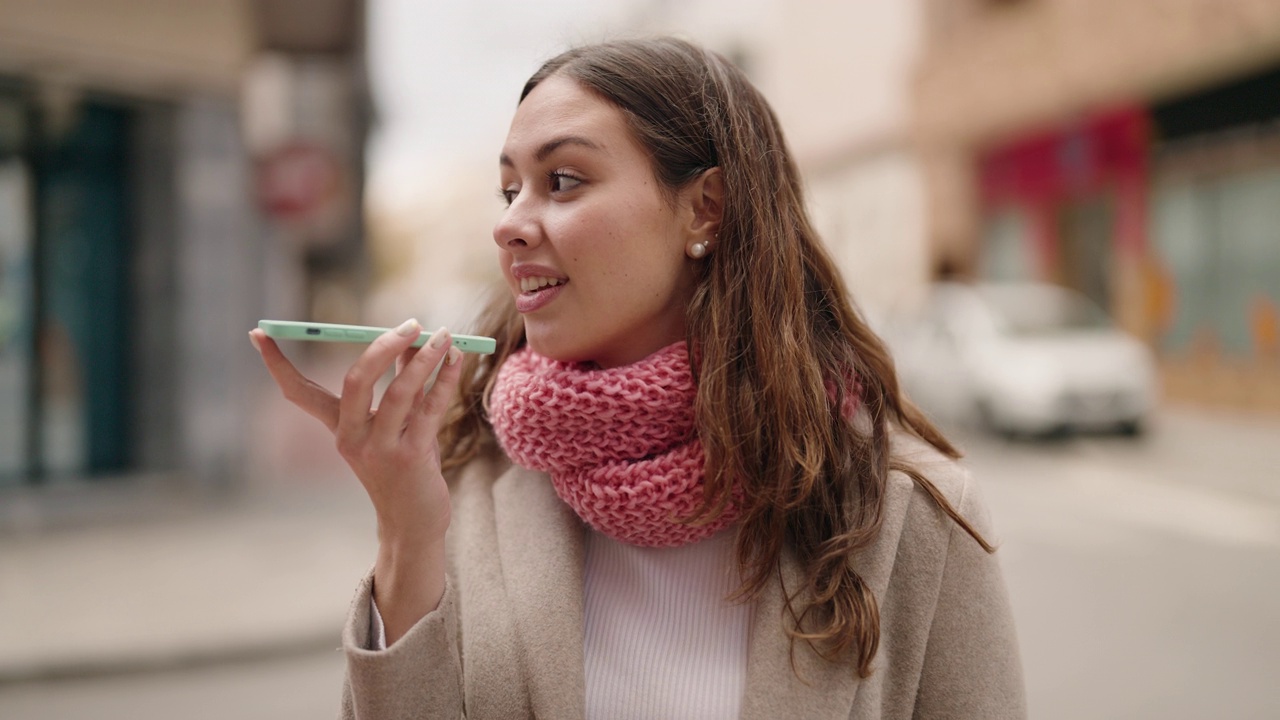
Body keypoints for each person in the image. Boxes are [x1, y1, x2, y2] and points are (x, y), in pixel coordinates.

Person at [249, 36, 1025, 720]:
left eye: (563, 181)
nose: (510, 221)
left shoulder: (907, 512)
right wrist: (405, 537)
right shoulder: (466, 481)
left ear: (705, 211)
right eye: (509, 187)